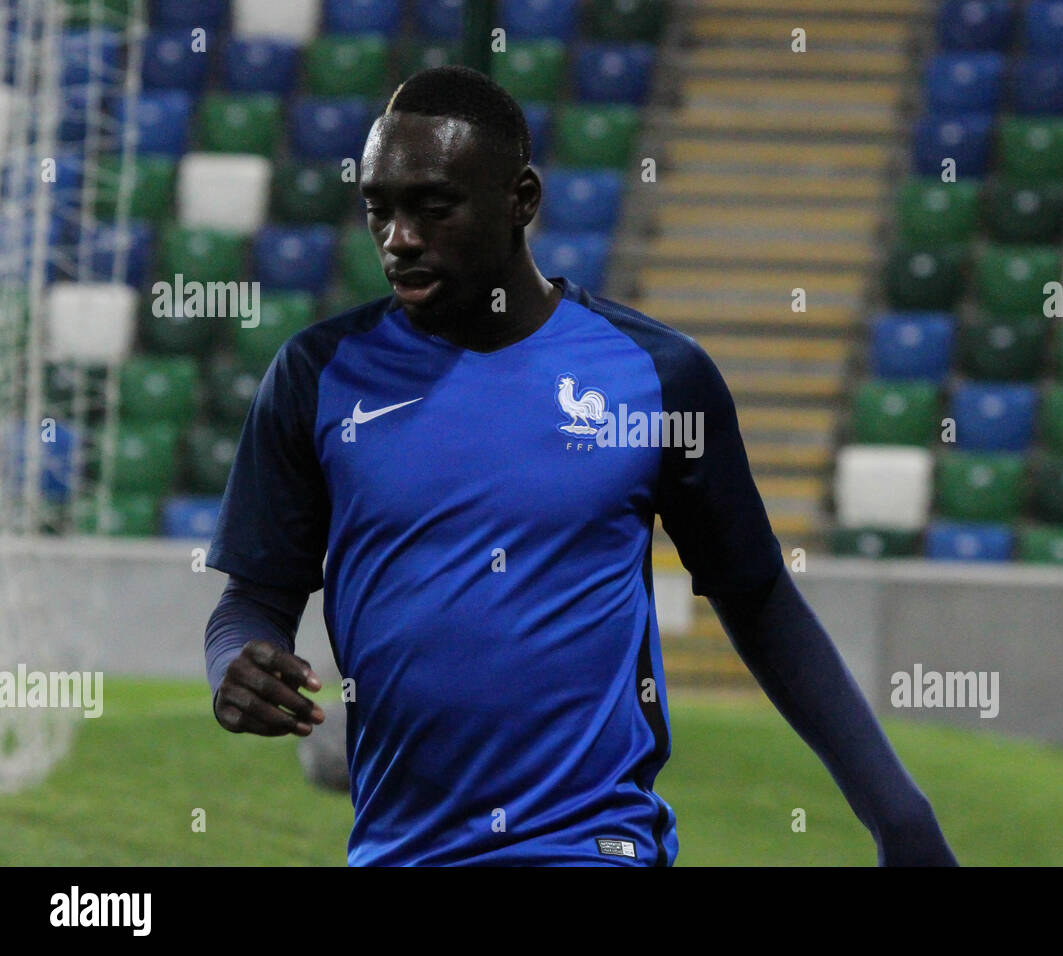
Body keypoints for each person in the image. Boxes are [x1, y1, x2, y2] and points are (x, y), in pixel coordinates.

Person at [204, 66, 957, 867]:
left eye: (432, 207)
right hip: (399, 850)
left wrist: (899, 815)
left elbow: (760, 597)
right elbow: (253, 596)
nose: (400, 238)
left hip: (594, 845)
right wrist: (234, 663)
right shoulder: (317, 376)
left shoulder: (658, 374)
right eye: (379, 211)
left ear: (521, 200)